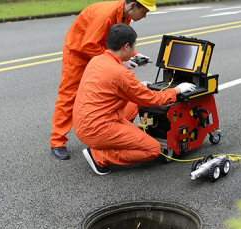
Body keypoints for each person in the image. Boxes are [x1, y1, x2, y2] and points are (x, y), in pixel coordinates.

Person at [73, 24, 196, 175]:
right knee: (154, 149)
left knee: (133, 102)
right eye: (134, 46)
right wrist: (178, 90)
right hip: (97, 129)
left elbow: (112, 86)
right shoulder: (121, 74)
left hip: (83, 122)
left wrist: (132, 78)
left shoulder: (97, 60)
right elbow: (151, 99)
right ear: (126, 46)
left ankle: (120, 139)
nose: (134, 50)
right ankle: (99, 156)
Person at [50, 0, 157, 160]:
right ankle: (57, 141)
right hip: (78, 52)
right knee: (69, 94)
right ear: (133, 5)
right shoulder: (105, 15)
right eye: (145, 11)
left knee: (106, 91)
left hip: (98, 50)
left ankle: (104, 134)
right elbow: (88, 45)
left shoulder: (124, 13)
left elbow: (118, 40)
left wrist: (134, 54)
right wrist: (118, 59)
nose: (145, 16)